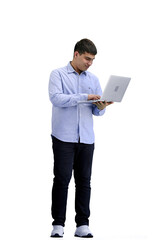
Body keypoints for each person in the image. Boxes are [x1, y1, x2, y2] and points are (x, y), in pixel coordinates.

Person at [49, 38, 113, 238]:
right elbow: (56, 98)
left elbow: (96, 112)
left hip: (86, 138)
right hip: (63, 137)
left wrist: (101, 106)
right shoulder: (57, 74)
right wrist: (85, 97)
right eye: (87, 58)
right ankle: (58, 224)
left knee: (84, 181)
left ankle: (82, 224)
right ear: (76, 54)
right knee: (62, 180)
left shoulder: (92, 79)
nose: (89, 63)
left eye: (92, 60)